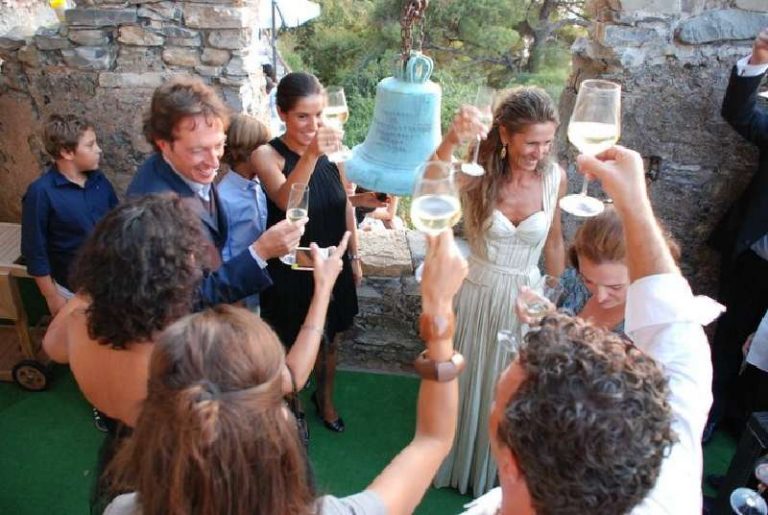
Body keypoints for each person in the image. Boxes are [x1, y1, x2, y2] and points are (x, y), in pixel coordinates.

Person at [101, 229, 468, 515]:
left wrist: (322, 289)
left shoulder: (122, 510)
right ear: (279, 425)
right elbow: (433, 439)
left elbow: (291, 377)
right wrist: (439, 311)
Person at [460, 145, 717, 515]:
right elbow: (677, 336)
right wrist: (634, 204)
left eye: (499, 406)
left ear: (511, 463)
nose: (601, 294)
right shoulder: (669, 471)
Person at [42, 194, 348, 429]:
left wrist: (99, 278)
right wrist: (322, 290)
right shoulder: (195, 350)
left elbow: (52, 347)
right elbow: (290, 378)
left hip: (126, 455)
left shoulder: (79, 322)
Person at [432, 86, 566, 495]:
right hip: (478, 293)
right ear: (505, 134)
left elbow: (554, 242)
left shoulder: (555, 178)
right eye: (532, 142)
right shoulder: (478, 172)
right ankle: (459, 464)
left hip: (528, 299)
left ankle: (498, 476)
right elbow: (431, 180)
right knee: (470, 382)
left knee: (513, 389)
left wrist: (554, 299)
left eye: (547, 142)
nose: (540, 152)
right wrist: (452, 138)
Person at [126, 76, 304, 306]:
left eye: (219, 145)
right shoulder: (152, 212)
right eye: (198, 150)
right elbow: (183, 302)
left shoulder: (189, 168)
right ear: (164, 145)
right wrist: (259, 252)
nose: (213, 162)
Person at [252, 72, 360, 433]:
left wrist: (354, 256)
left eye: (319, 115)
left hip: (331, 264)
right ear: (282, 113)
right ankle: (292, 406)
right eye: (302, 116)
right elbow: (286, 202)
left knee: (332, 340)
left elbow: (345, 203)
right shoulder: (266, 155)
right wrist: (313, 153)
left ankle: (324, 399)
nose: (313, 125)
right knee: (289, 341)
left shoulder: (335, 151)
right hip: (290, 270)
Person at [706, 27, 768, 442]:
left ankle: (748, 429)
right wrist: (760, 58)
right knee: (729, 339)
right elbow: (740, 113)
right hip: (755, 259)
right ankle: (711, 416)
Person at [21, 114, 118, 316]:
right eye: (90, 145)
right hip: (73, 291)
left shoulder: (100, 181)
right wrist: (52, 296)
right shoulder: (41, 193)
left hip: (111, 284)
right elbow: (34, 250)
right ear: (66, 152)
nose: (99, 149)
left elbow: (118, 225)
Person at [556, 206, 680, 336]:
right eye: (588, 280)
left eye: (615, 287)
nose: (600, 297)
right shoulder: (574, 280)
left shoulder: (656, 324)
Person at [218, 114, 271, 312]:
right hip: (243, 293)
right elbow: (223, 253)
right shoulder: (224, 197)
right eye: (264, 149)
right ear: (248, 152)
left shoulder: (260, 185)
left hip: (265, 287)